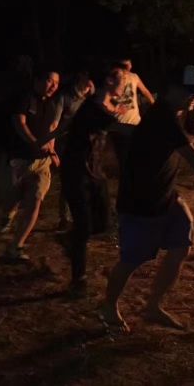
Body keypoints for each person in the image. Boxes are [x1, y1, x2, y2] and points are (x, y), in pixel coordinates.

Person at [99, 69, 194, 333]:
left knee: (181, 244)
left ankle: (152, 306)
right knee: (130, 261)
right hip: (141, 202)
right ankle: (108, 306)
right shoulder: (163, 116)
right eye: (189, 91)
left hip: (166, 196)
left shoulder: (172, 114)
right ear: (172, 88)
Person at [60, 66, 127, 297]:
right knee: (84, 226)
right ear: (108, 81)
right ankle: (78, 280)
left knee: (103, 225)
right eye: (122, 79)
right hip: (76, 171)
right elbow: (119, 128)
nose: (125, 84)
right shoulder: (93, 108)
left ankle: (70, 240)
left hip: (95, 171)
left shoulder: (106, 106)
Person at [2, 68, 64, 261]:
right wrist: (32, 141)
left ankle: (16, 246)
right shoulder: (25, 98)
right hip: (20, 159)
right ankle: (7, 214)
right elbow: (19, 122)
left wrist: (52, 151)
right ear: (37, 80)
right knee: (14, 197)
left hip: (42, 162)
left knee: (35, 200)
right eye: (49, 81)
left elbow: (51, 129)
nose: (53, 86)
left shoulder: (52, 104)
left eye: (56, 82)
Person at [55, 71, 96, 231]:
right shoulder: (65, 97)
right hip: (67, 144)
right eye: (87, 82)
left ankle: (86, 216)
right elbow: (55, 123)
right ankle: (64, 217)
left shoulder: (91, 99)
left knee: (88, 180)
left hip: (88, 145)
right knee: (69, 181)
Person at [110, 57, 155, 172]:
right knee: (123, 157)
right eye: (126, 66)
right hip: (118, 125)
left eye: (129, 66)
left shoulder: (134, 77)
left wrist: (154, 104)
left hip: (135, 122)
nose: (128, 68)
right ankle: (127, 182)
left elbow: (145, 91)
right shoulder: (112, 78)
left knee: (138, 153)